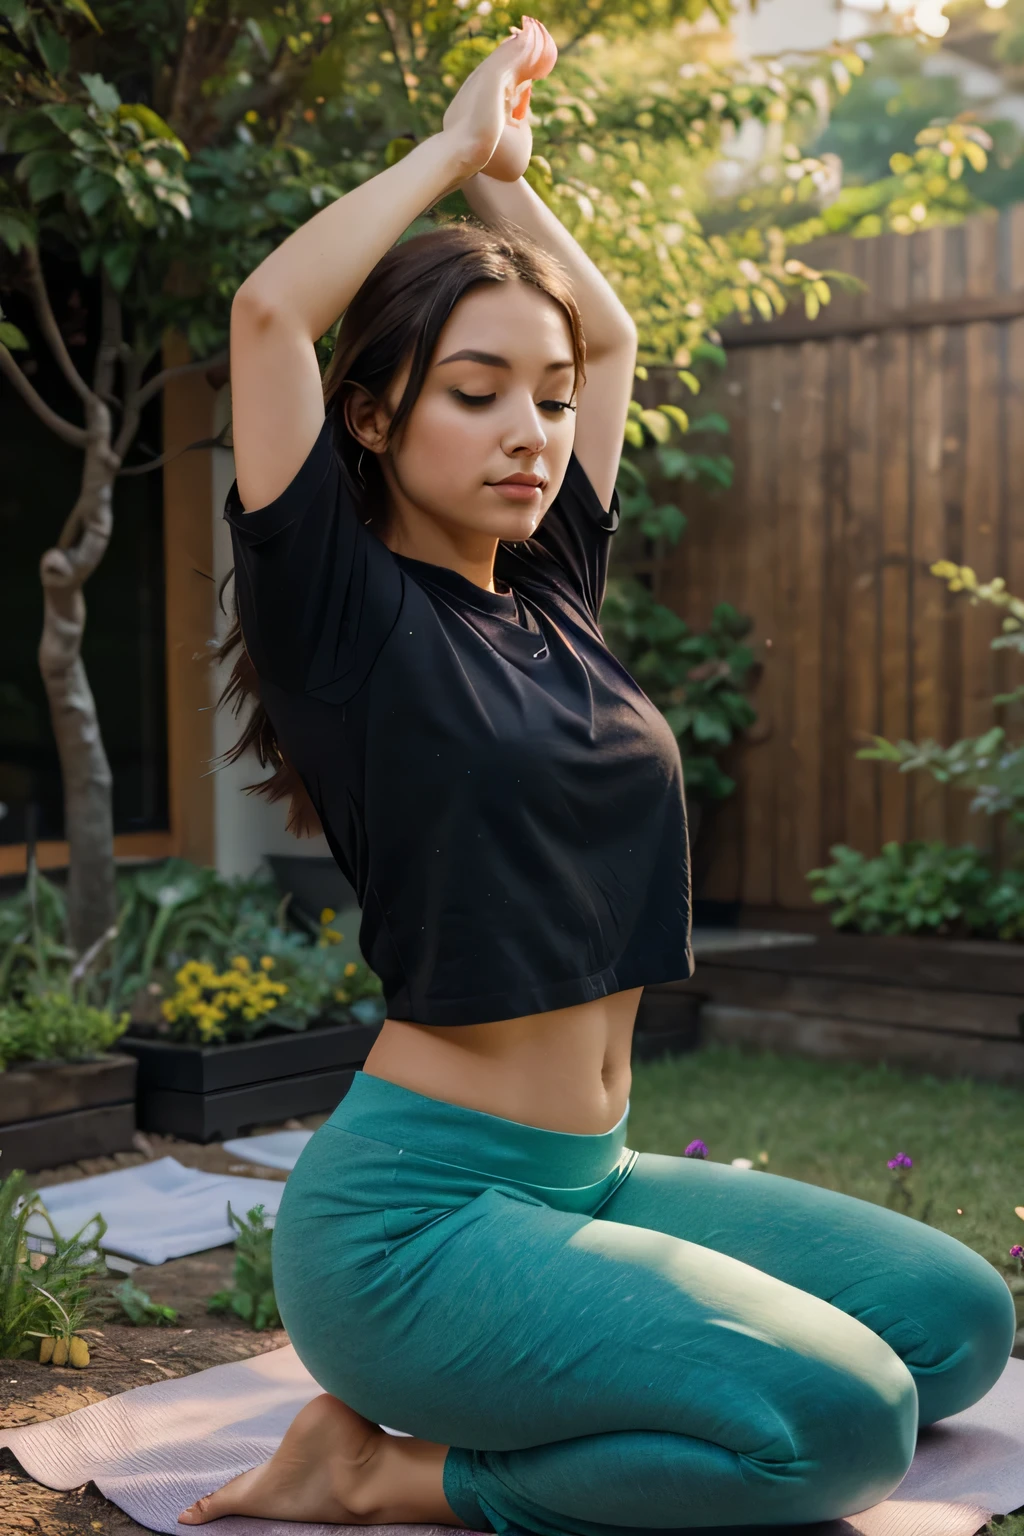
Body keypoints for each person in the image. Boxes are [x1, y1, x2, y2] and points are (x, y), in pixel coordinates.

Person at [178, 18, 1016, 1532]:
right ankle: (381, 1470)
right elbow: (266, 317)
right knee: (846, 1428)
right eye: (478, 393)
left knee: (959, 1324)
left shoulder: (547, 584)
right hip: (415, 1225)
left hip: (593, 1177)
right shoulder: (345, 614)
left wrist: (512, 176)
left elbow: (613, 334)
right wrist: (446, 151)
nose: (533, 434)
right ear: (373, 416)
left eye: (547, 402)